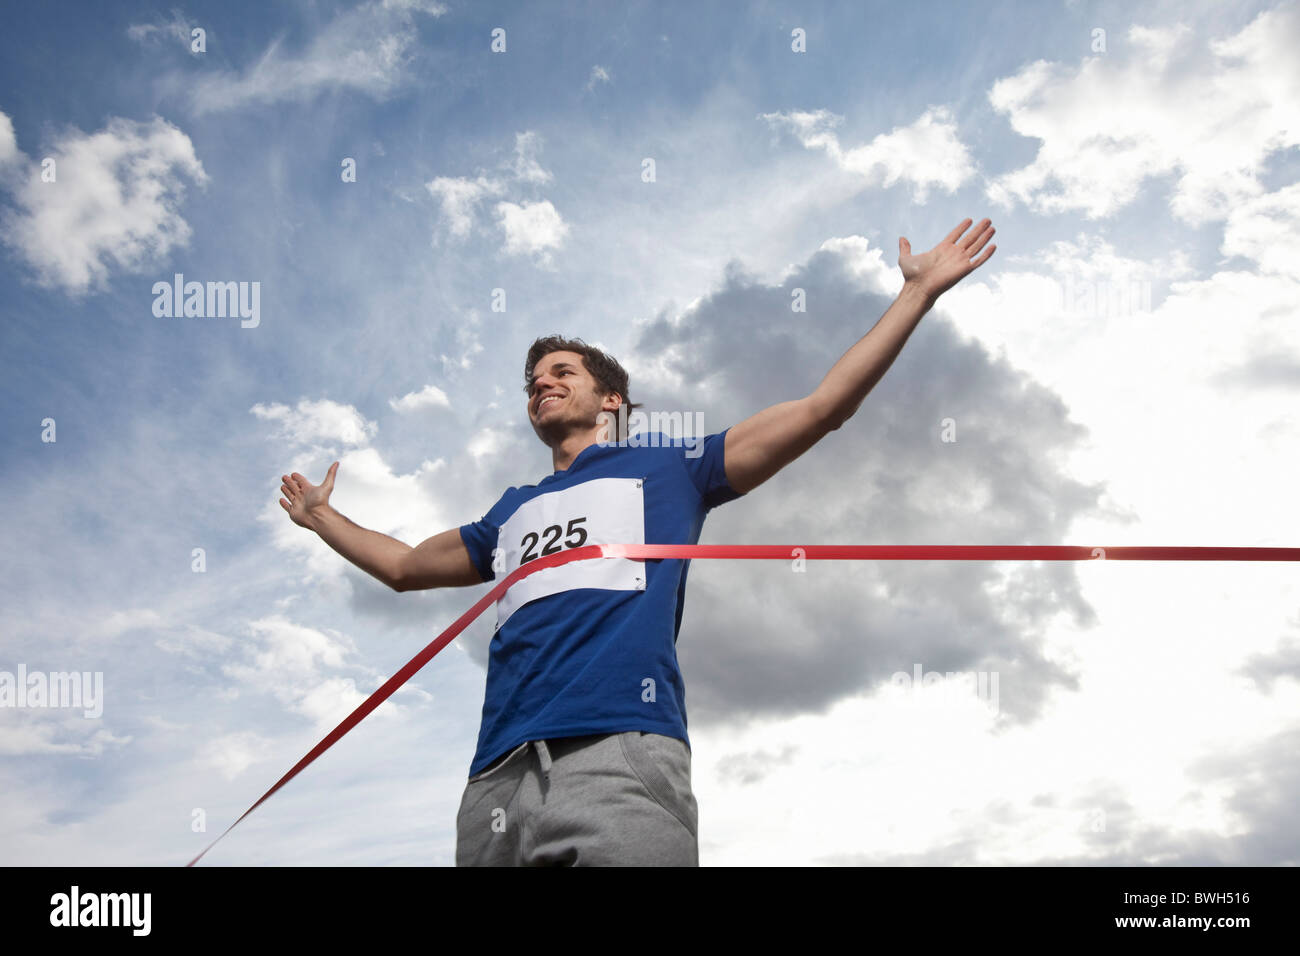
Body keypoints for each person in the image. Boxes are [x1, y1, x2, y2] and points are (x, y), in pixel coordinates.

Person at [278, 218, 997, 865]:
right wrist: (321, 519)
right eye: (533, 382)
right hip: (495, 779)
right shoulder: (510, 512)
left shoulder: (670, 464)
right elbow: (404, 568)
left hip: (618, 755)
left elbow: (820, 409)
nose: (542, 385)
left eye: (563, 373)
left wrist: (917, 295)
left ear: (612, 400)